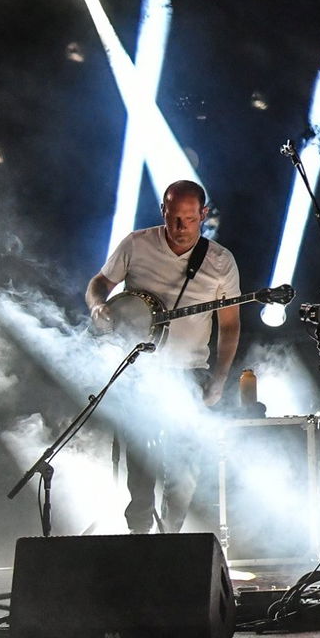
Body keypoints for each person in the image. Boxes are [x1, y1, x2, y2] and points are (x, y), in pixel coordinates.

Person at [86, 180, 240, 534]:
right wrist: (97, 307)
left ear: (203, 214)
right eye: (173, 218)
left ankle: (170, 537)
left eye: (190, 218)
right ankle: (139, 535)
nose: (180, 227)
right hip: (139, 371)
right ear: (163, 212)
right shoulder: (136, 244)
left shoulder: (220, 261)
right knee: (140, 460)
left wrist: (219, 379)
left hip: (190, 372)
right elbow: (99, 284)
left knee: (183, 465)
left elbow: (230, 326)